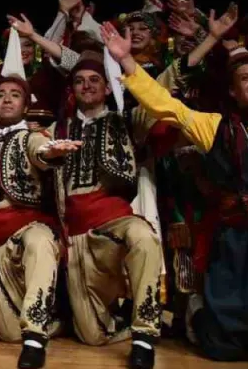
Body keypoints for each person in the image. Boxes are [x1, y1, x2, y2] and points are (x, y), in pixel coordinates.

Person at [107, 20, 248, 367]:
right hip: (240, 242)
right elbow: (166, 106)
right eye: (246, 79)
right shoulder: (215, 126)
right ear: (233, 91)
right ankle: (198, 311)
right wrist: (127, 61)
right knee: (224, 348)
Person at [48, 51, 163, 368]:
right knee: (92, 335)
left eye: (94, 80)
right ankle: (119, 316)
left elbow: (162, 90)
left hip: (115, 220)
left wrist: (207, 42)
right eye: (79, 81)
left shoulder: (126, 120)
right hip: (76, 232)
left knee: (144, 237)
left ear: (108, 87)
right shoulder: (58, 129)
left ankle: (144, 333)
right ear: (72, 89)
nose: (87, 86)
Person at [0, 70, 76, 369]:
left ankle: (35, 338)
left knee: (41, 241)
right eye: (1, 94)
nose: (7, 100)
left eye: (15, 95)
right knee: (7, 333)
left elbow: (40, 151)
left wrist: (51, 152)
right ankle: (57, 319)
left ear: (25, 104)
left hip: (28, 224)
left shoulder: (32, 136)